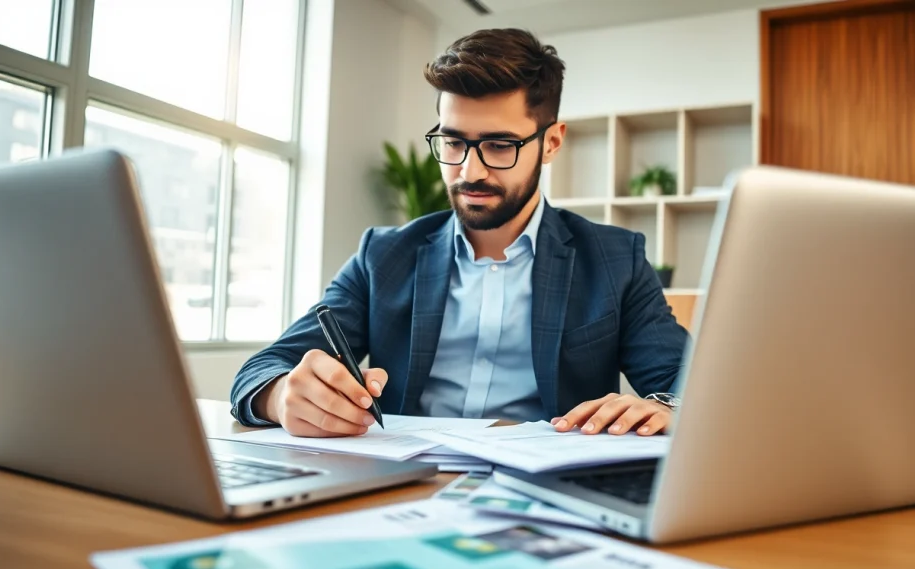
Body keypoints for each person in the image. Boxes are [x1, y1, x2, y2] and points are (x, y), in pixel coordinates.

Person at [229, 28, 689, 438]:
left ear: (551, 142)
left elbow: (690, 384)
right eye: (453, 142)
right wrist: (282, 395)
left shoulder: (615, 259)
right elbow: (261, 370)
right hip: (403, 484)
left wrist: (666, 406)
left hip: (545, 493)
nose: (470, 171)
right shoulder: (383, 255)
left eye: (499, 145)